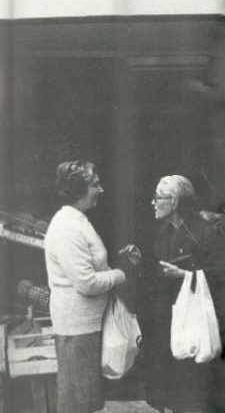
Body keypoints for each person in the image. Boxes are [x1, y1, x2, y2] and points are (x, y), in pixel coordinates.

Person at [44, 160, 139, 413]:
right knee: (78, 401)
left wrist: (111, 266)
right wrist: (121, 274)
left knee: (87, 398)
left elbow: (88, 270)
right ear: (78, 189)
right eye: (95, 185)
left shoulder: (78, 220)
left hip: (88, 324)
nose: (101, 189)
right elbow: (85, 283)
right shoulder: (67, 227)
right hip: (77, 326)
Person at [144, 175, 225, 413]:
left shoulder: (204, 232)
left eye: (157, 197)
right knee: (175, 381)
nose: (152, 202)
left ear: (174, 202)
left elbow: (222, 272)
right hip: (172, 315)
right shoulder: (164, 231)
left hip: (198, 319)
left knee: (195, 386)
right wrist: (140, 262)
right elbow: (159, 266)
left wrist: (184, 275)